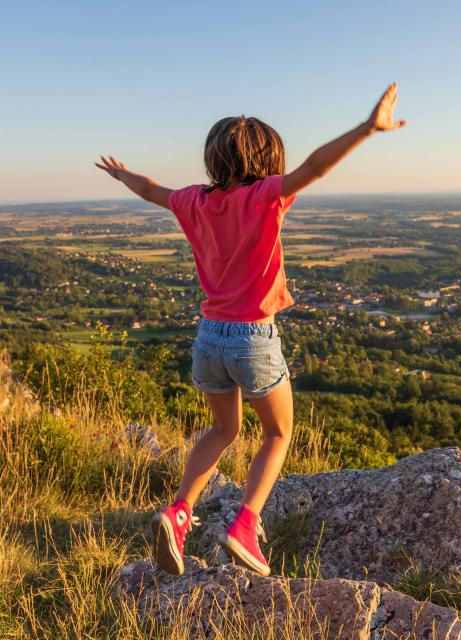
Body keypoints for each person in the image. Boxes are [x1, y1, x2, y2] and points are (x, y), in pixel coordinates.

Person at [95, 82, 406, 577]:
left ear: (213, 159)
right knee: (279, 432)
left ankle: (178, 512)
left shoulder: (195, 201)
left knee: (223, 429)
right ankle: (245, 525)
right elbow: (315, 167)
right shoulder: (264, 196)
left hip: (208, 337)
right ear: (268, 159)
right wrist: (368, 128)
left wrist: (121, 174)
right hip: (252, 339)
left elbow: (152, 189)